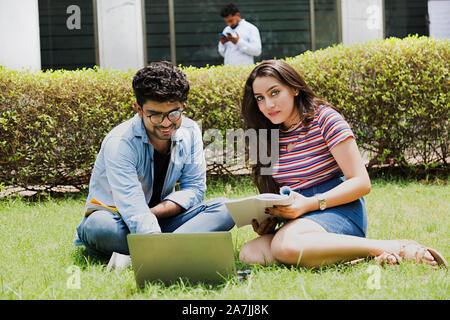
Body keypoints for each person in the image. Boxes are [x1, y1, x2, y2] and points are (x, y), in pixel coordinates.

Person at [238, 59, 447, 269]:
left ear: (294, 88)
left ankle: (397, 246)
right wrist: (271, 220)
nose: (268, 105)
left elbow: (361, 182)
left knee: (285, 246)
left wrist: (309, 204)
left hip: (338, 209)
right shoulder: (264, 136)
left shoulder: (324, 119)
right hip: (297, 221)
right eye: (260, 98)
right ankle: (359, 259)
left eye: (274, 92)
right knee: (250, 253)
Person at [74, 61, 235, 259]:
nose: (166, 123)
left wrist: (153, 215)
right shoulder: (120, 142)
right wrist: (148, 225)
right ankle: (173, 249)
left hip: (161, 219)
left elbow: (194, 188)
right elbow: (131, 205)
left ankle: (156, 253)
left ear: (182, 106)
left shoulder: (190, 131)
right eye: (155, 115)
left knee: (226, 209)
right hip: (118, 219)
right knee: (99, 227)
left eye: (173, 113)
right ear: (139, 109)